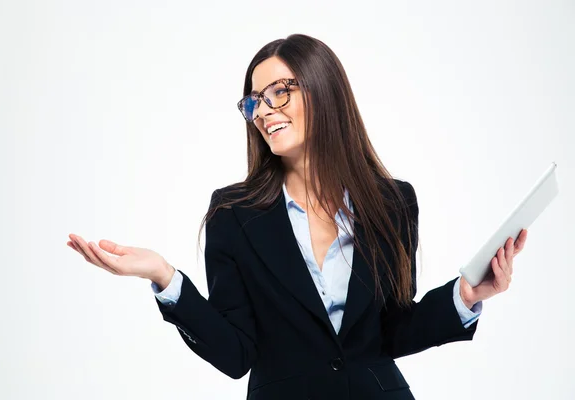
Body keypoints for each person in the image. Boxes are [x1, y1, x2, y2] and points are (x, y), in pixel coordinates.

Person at [67, 33, 528, 400]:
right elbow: (235, 354)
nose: (264, 112)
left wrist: (464, 297)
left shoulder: (393, 203)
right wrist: (165, 278)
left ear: (324, 92)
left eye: (279, 93)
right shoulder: (233, 215)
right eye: (254, 102)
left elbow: (389, 332)